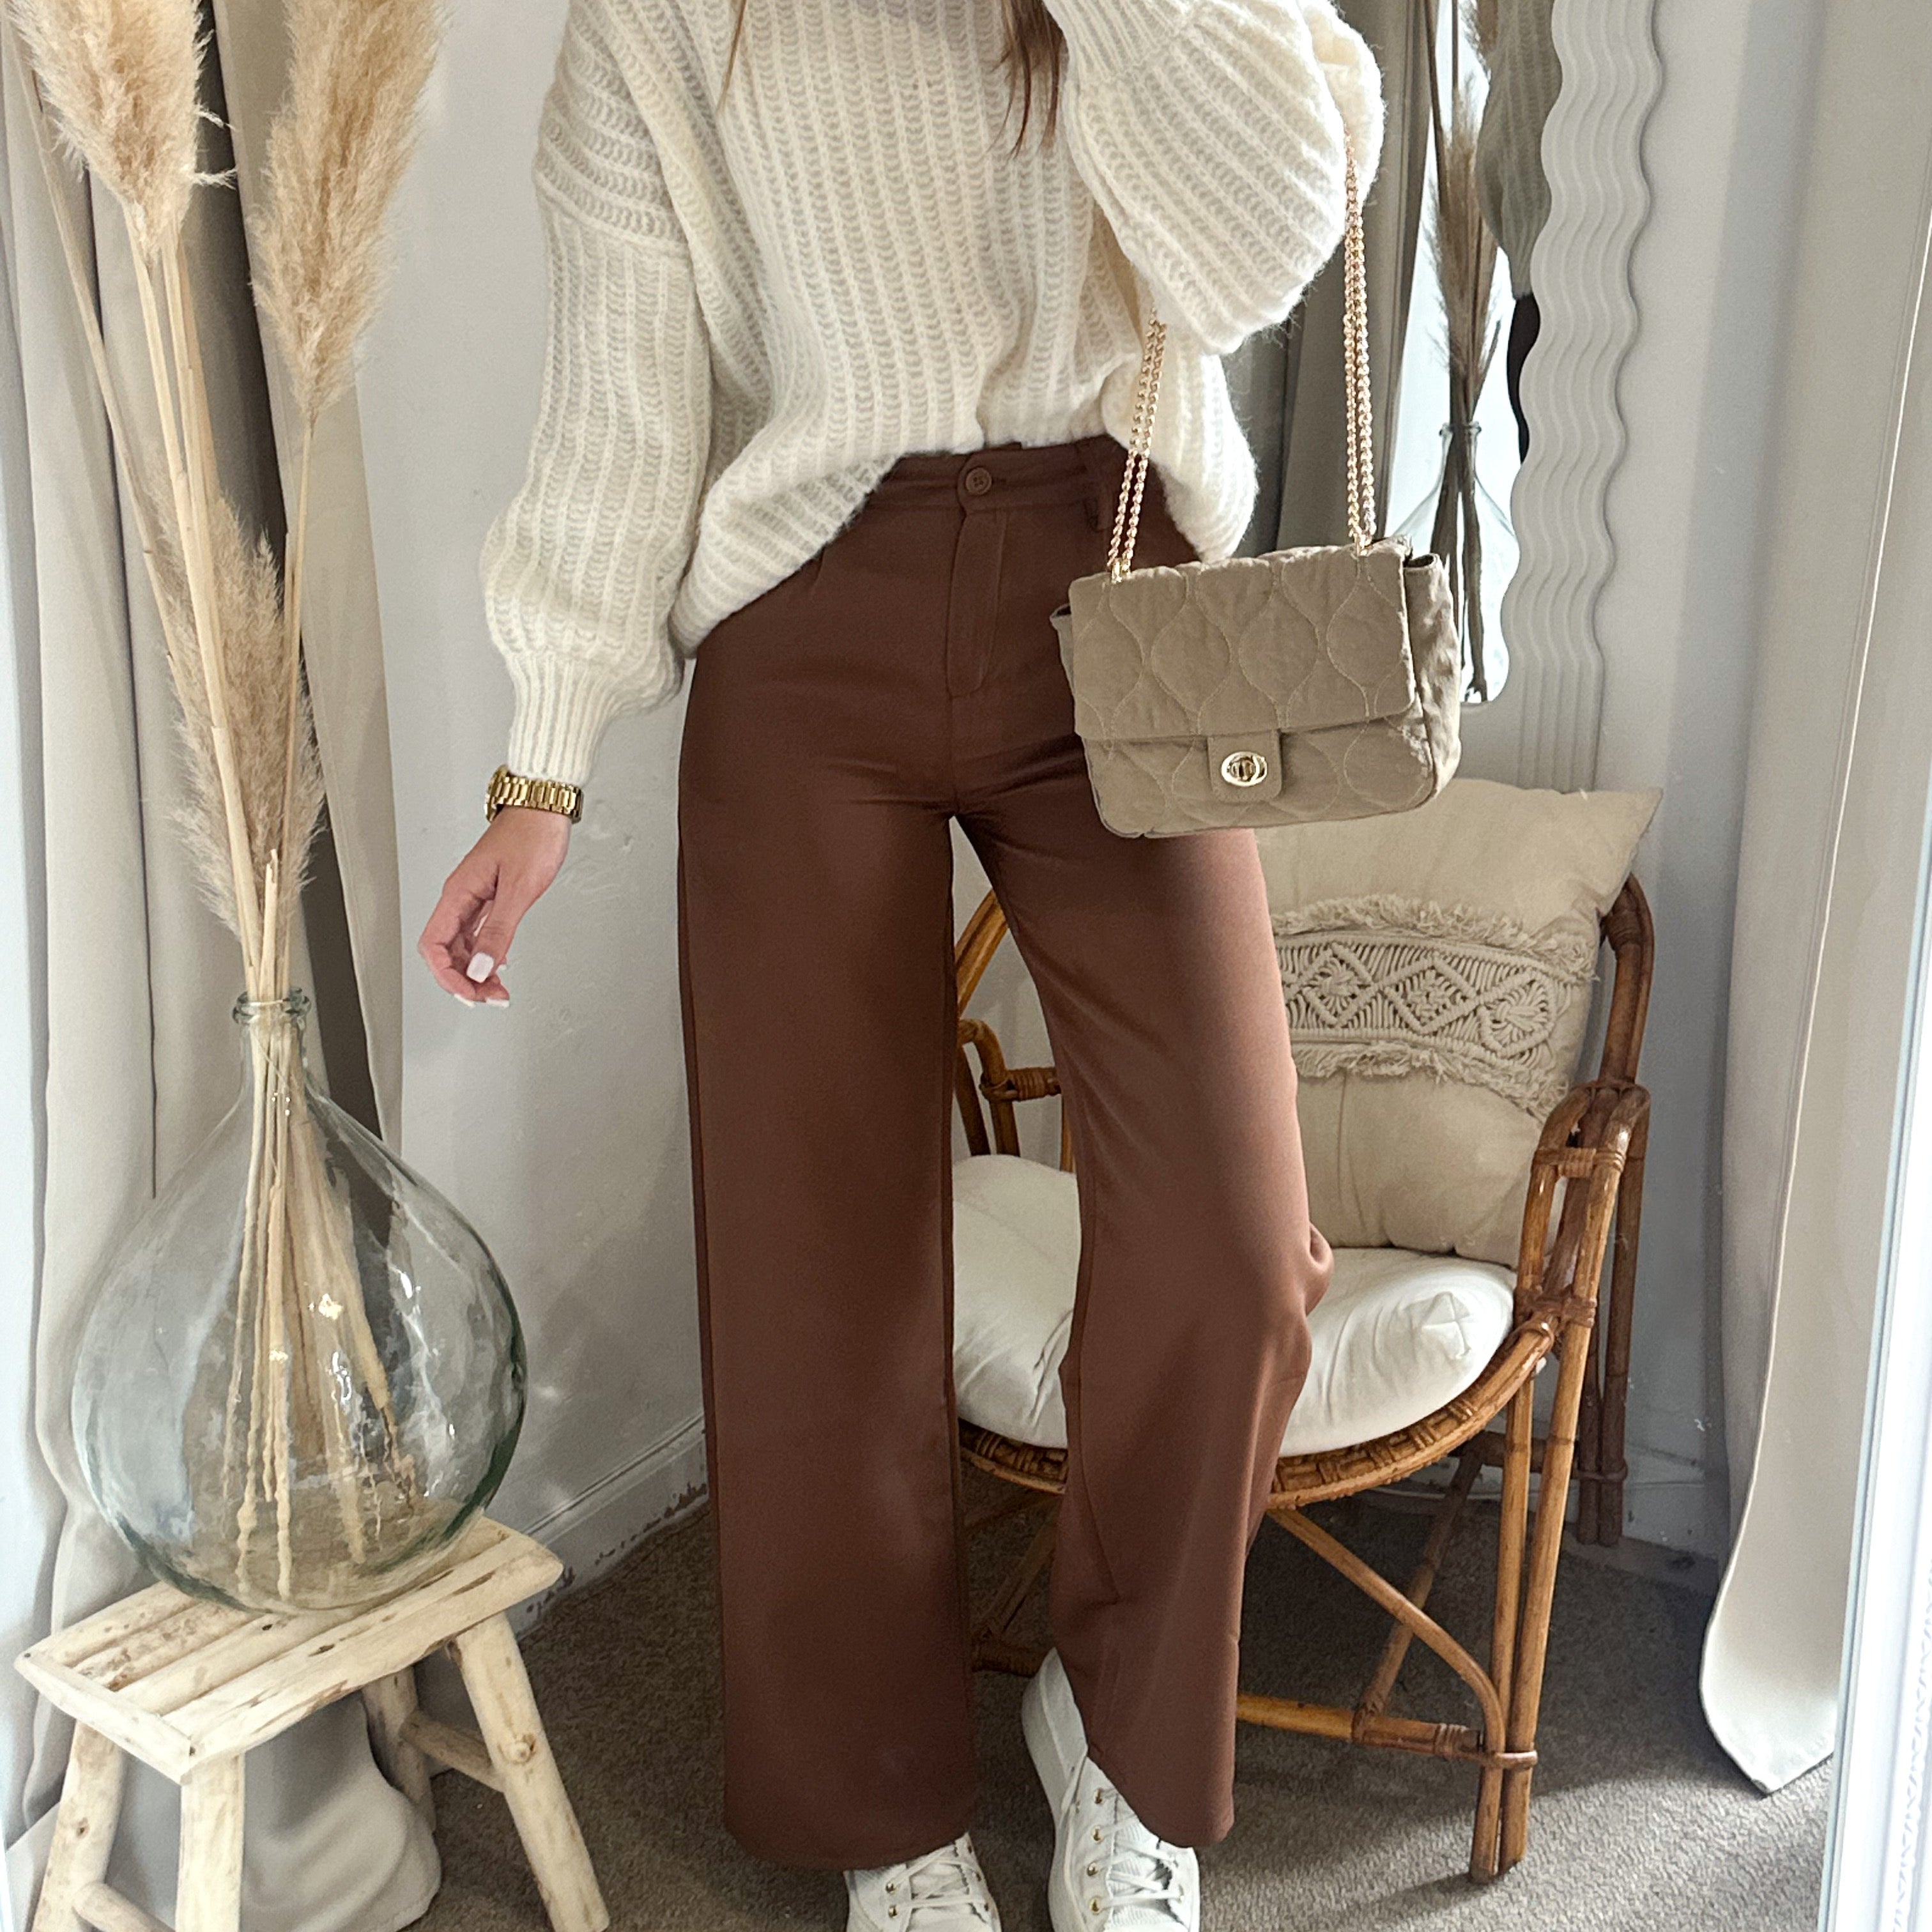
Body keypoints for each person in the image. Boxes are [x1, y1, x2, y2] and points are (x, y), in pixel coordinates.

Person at [419, 3, 1379, 1926]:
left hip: (1118, 581)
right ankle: (886, 1808)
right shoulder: (665, 20)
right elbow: (625, 391)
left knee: (1234, 1242)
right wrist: (544, 759)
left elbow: (1260, 243)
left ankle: (1120, 1745)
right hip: (808, 614)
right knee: (817, 1274)